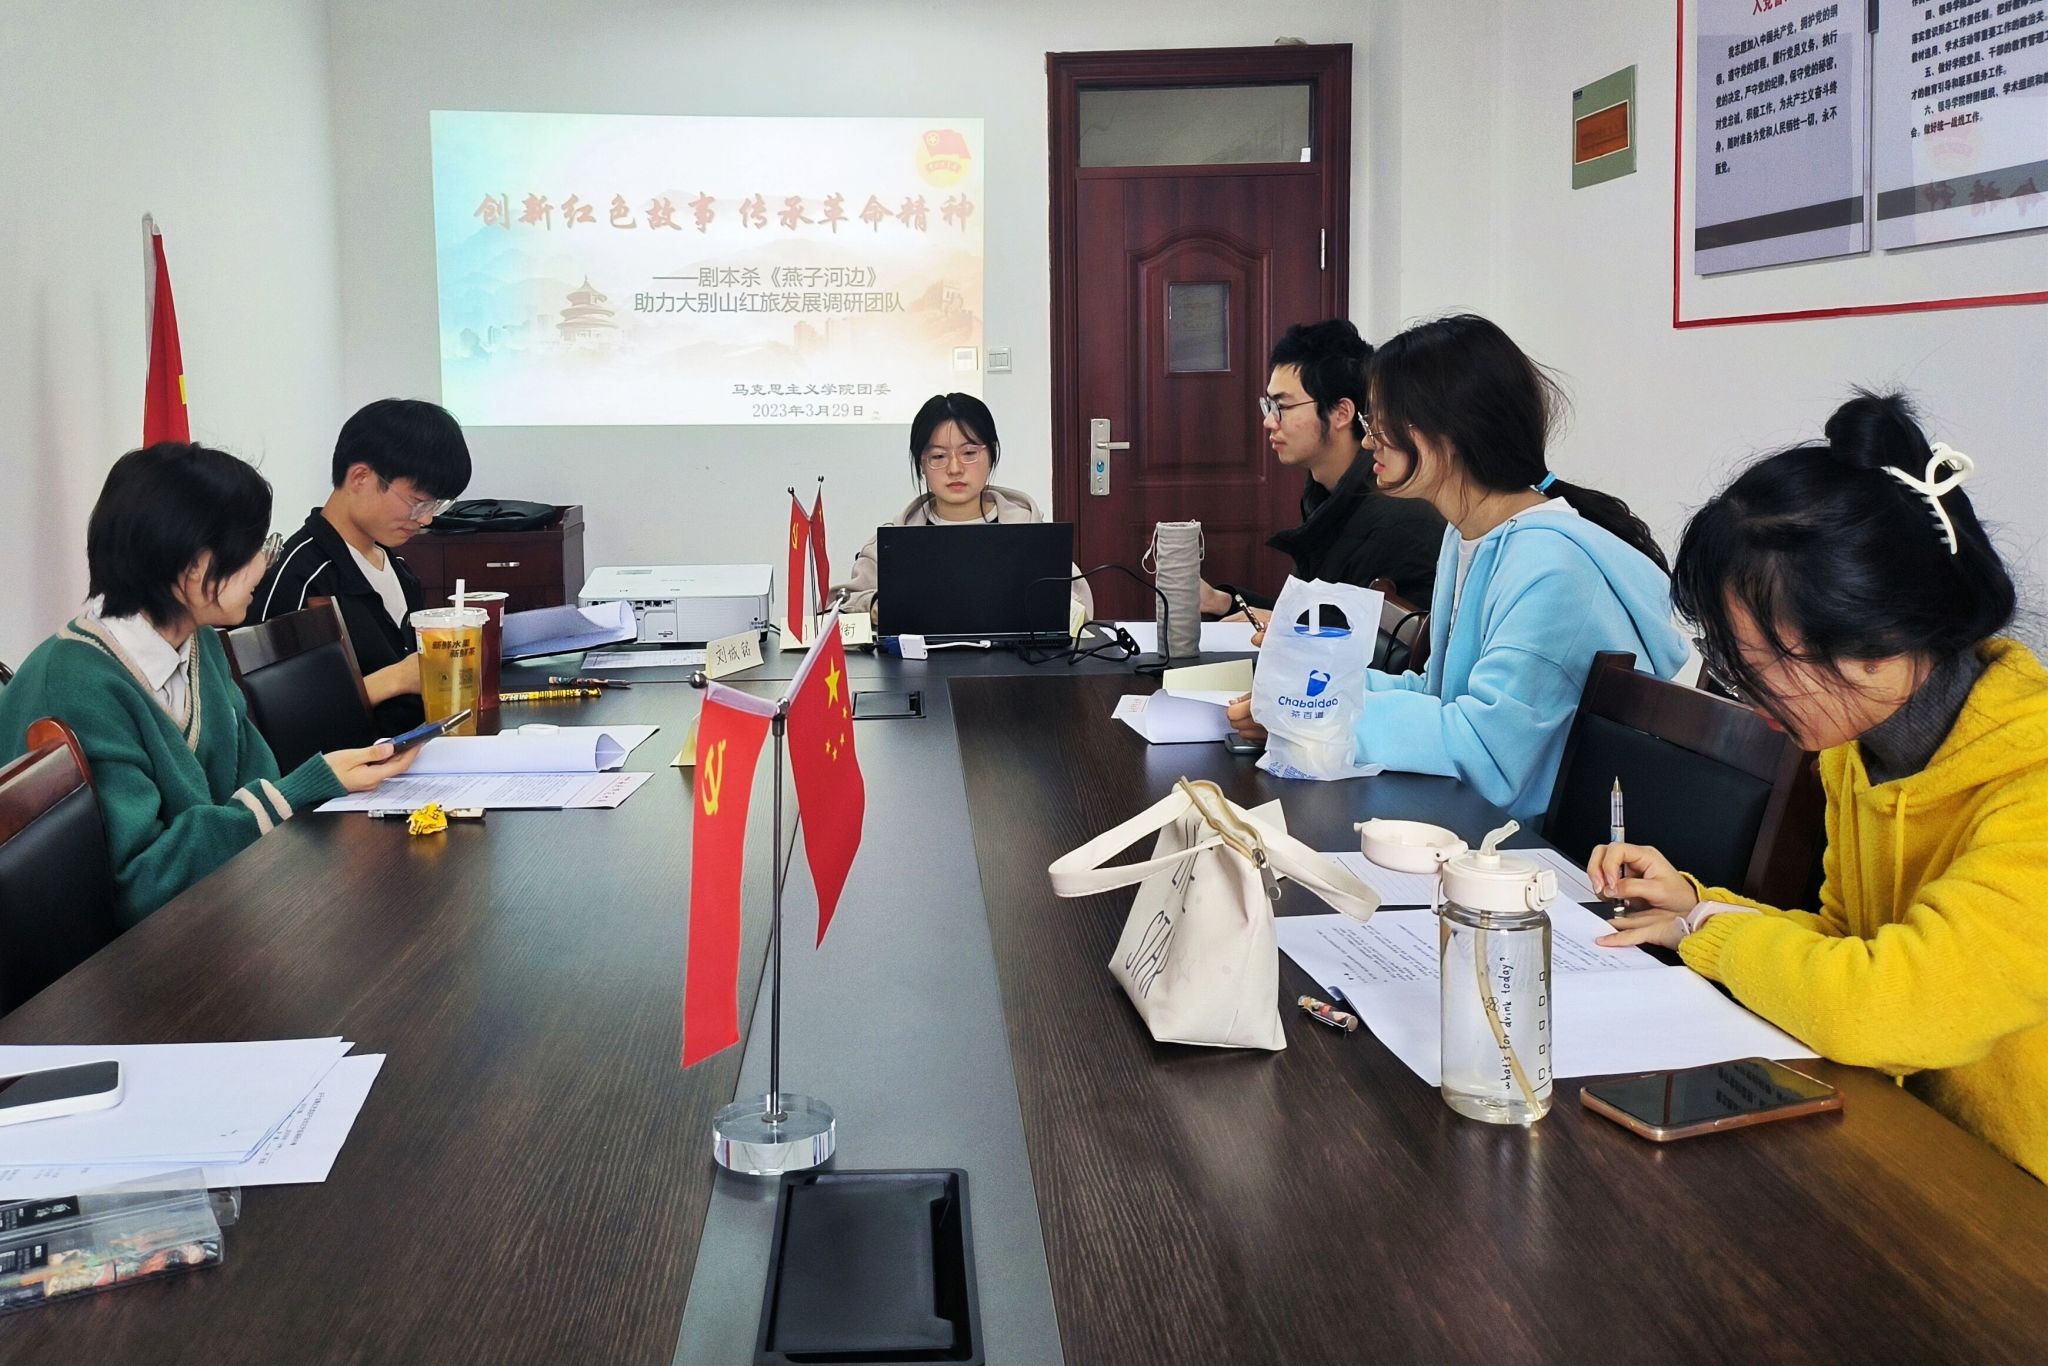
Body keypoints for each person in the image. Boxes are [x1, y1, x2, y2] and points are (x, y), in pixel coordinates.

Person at [1591, 393, 2048, 1182]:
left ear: (1880, 641)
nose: (1742, 694)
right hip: (1915, 1152)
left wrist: (1709, 932)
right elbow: (1846, 941)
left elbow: (1887, 1005)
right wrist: (1695, 905)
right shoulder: (1859, 749)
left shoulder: (2031, 781)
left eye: (1757, 666)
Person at [1226, 313, 1687, 820]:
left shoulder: (1552, 568)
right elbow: (1436, 692)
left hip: (1528, 843)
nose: (1369, 440)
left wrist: (1315, 718)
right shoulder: (1467, 534)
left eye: (1382, 422)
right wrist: (1298, 696)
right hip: (1472, 818)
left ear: (1448, 431)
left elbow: (1486, 750)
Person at [0, 443, 419, 926]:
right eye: (255, 549)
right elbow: (140, 883)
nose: (265, 565)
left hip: (218, 908)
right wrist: (303, 786)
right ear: (194, 565)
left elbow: (254, 780)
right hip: (119, 955)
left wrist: (304, 786)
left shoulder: (198, 641)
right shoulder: (76, 684)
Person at [255, 398, 473, 732]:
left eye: (436, 506)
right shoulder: (300, 576)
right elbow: (276, 718)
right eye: (418, 502)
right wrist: (396, 678)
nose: (426, 519)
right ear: (360, 477)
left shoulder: (398, 568)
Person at [1199, 320, 1444, 616]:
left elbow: (1379, 640)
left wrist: (1284, 626)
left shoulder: (1399, 521)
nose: (1269, 421)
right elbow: (1314, 616)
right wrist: (1221, 601)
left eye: (1282, 407)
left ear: (1341, 413)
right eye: (1269, 406)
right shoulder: (1325, 495)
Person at [830, 392, 1094, 620]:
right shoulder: (894, 540)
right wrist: (875, 606)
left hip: (1015, 663)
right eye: (938, 456)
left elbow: (1081, 608)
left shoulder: (1031, 532)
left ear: (991, 455)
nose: (954, 468)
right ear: (921, 465)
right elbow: (837, 609)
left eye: (969, 453)